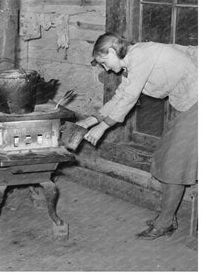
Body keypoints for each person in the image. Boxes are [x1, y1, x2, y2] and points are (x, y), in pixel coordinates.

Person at [76, 32, 198, 240]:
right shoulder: (132, 62)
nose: (106, 69)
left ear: (113, 51)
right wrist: (92, 120)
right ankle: (167, 216)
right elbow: (120, 96)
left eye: (104, 62)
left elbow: (130, 98)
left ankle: (165, 223)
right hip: (187, 102)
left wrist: (103, 127)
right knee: (166, 159)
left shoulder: (141, 56)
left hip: (197, 102)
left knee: (175, 165)